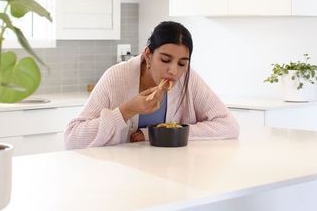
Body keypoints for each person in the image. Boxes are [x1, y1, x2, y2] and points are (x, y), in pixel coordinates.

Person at [64, 21, 239, 149]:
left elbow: (228, 126)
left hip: (171, 173)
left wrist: (156, 134)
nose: (173, 71)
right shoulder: (116, 77)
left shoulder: (188, 79)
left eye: (182, 63)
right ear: (148, 55)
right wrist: (126, 111)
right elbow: (72, 138)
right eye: (165, 60)